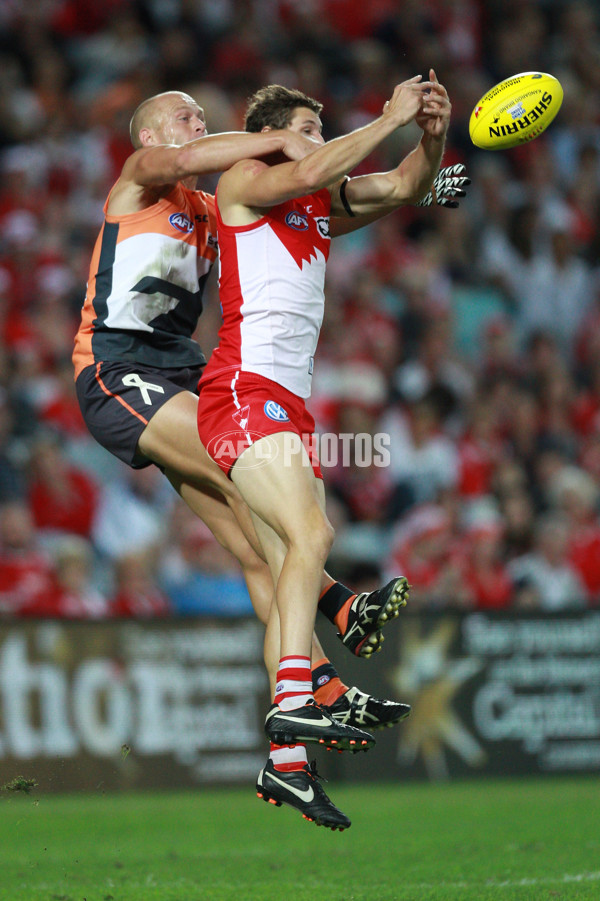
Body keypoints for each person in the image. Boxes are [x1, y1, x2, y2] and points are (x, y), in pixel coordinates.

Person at [72, 89, 435, 752]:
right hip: (117, 369)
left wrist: (420, 180)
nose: (198, 124)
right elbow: (199, 157)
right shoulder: (139, 179)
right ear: (151, 136)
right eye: (184, 116)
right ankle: (337, 611)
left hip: (180, 374)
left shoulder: (214, 209)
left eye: (201, 116)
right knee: (264, 490)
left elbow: (331, 200)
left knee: (253, 542)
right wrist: (283, 140)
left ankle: (292, 743)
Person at [198, 75, 452, 828]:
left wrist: (429, 134)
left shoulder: (315, 205)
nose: (319, 138)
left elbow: (409, 184)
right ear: (276, 135)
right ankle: (295, 705)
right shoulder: (243, 179)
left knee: (287, 566)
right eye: (309, 126)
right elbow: (309, 168)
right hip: (244, 388)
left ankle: (285, 766)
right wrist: (387, 117)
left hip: (287, 405)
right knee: (314, 536)